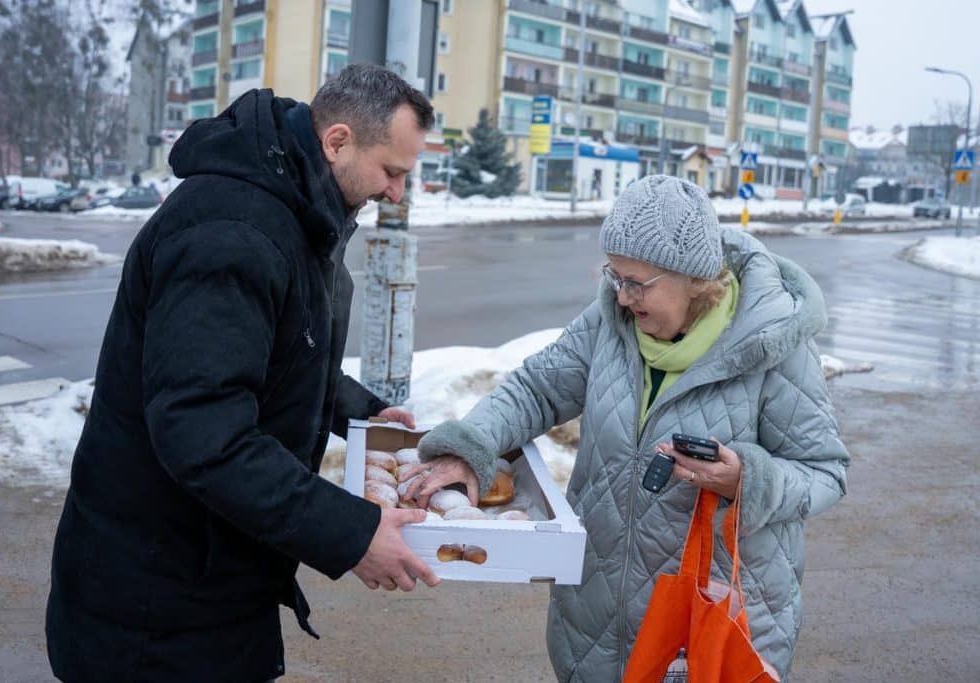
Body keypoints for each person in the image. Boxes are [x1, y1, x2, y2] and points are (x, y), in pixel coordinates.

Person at [46, 65, 440, 682]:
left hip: (208, 580)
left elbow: (275, 353)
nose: (397, 193)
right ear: (337, 142)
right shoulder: (232, 231)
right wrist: (350, 533)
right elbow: (204, 430)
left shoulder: (291, 205)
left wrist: (358, 412)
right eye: (392, 172)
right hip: (153, 608)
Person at [404, 175, 850, 681]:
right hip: (595, 619)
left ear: (694, 279)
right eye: (614, 277)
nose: (620, 297)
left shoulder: (774, 347)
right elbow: (535, 389)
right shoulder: (610, 325)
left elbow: (824, 471)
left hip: (709, 624)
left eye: (636, 283)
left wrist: (748, 479)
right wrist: (472, 446)